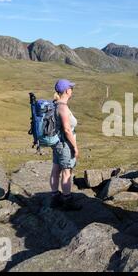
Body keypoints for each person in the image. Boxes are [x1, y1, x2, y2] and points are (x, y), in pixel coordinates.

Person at [49, 79, 82, 210]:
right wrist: (75, 147)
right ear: (67, 91)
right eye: (71, 88)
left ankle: (54, 199)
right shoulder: (63, 107)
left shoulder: (55, 104)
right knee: (67, 173)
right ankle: (67, 201)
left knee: (56, 170)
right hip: (65, 145)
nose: (72, 90)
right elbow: (67, 130)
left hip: (57, 144)